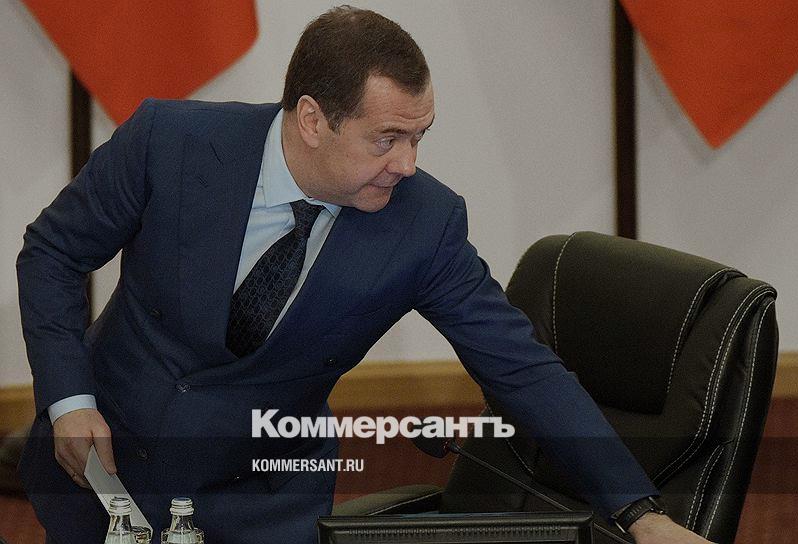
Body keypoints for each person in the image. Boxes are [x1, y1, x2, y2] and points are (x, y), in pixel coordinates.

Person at [17, 6, 712, 544]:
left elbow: (521, 366)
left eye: (419, 136)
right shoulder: (169, 143)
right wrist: (69, 400)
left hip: (260, 499)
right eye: (387, 139)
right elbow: (53, 253)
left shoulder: (424, 224)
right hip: (103, 468)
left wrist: (638, 510)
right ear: (312, 120)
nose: (407, 164)